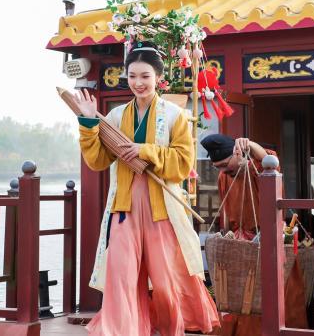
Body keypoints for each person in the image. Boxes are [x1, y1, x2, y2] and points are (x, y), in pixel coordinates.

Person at [76, 41, 220, 336]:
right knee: (121, 278)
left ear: (158, 78)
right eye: (132, 76)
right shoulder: (116, 117)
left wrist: (145, 151)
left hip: (161, 209)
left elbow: (182, 164)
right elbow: (98, 160)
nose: (138, 83)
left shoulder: (175, 115)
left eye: (145, 76)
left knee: (165, 282)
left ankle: (169, 330)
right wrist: (88, 122)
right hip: (124, 208)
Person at [200, 134, 277, 239]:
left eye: (224, 164)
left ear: (237, 153)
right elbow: (226, 212)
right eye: (217, 167)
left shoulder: (256, 168)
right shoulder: (223, 177)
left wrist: (249, 144)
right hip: (238, 239)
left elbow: (269, 161)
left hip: (265, 237)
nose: (223, 170)